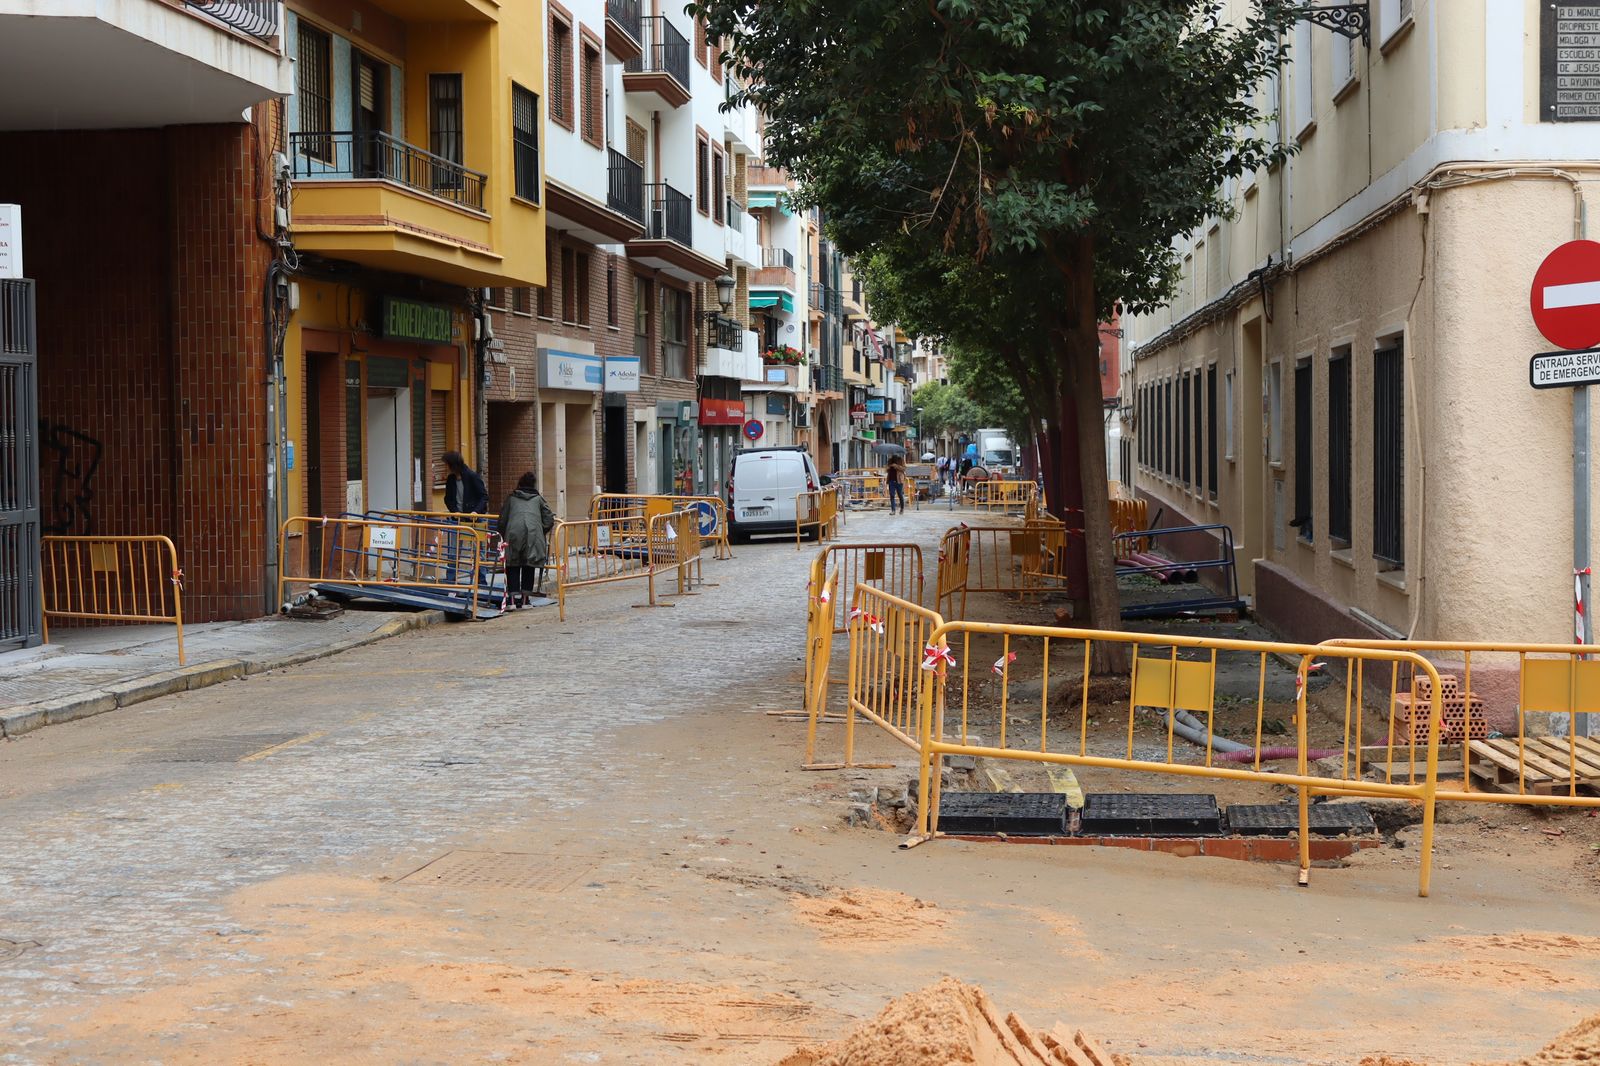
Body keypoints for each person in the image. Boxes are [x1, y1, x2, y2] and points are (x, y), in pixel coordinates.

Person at [497, 471, 556, 608]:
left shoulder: (511, 498)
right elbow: (549, 519)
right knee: (529, 564)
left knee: (513, 564)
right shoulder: (538, 499)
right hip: (533, 533)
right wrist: (541, 531)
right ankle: (525, 600)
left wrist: (505, 533)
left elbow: (502, 520)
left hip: (513, 533)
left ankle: (511, 601)